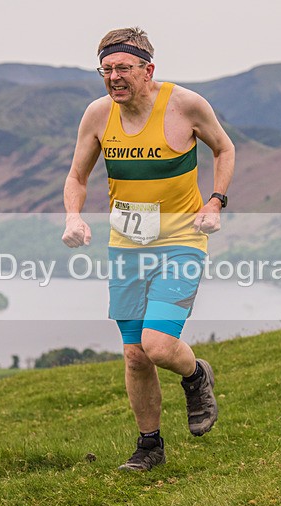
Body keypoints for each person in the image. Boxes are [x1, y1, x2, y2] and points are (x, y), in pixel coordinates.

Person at [61, 27, 235, 471]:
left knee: (158, 345)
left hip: (181, 241)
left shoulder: (185, 105)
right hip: (127, 246)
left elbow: (224, 147)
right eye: (106, 69)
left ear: (147, 69)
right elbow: (78, 176)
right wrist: (73, 216)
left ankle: (196, 376)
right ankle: (149, 446)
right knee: (135, 353)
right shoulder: (98, 115)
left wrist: (216, 201)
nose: (114, 77)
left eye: (123, 68)